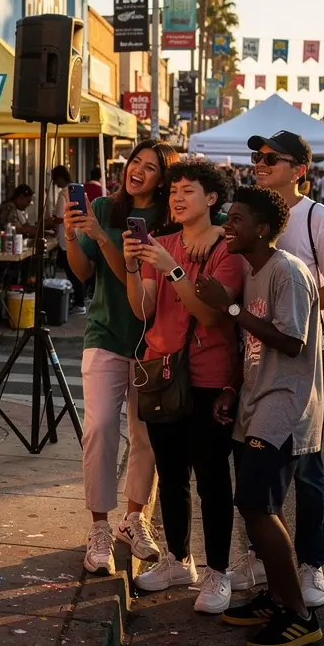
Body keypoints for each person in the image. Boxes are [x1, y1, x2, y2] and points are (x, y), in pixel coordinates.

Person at [227, 131, 324, 609]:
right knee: (262, 474)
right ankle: (264, 559)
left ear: (299, 169)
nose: (259, 163)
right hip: (256, 353)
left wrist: (292, 301)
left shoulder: (320, 219)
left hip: (304, 356)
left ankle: (309, 565)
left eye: (270, 158)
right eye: (255, 156)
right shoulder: (249, 217)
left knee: (307, 467)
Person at [198, 186, 324, 646]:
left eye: (236, 220)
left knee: (256, 505)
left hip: (283, 408)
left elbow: (291, 342)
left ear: (264, 229)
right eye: (227, 218)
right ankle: (276, 598)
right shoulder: (254, 273)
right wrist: (232, 388)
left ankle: (299, 614)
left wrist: (227, 306)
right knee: (254, 505)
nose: (227, 226)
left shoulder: (287, 273)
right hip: (254, 404)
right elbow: (250, 343)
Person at [124, 161, 245, 615]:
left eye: (187, 191)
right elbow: (144, 309)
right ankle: (179, 559)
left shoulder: (227, 249)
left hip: (211, 376)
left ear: (211, 198)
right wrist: (135, 267)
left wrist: (174, 269)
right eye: (173, 191)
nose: (176, 198)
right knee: (171, 474)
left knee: (212, 478)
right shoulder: (163, 243)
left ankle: (217, 572)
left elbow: (212, 314)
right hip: (162, 373)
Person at [64, 140, 177, 576]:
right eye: (136, 163)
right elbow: (81, 271)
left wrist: (103, 240)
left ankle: (135, 519)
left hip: (153, 340)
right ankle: (98, 527)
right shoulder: (106, 209)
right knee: (99, 428)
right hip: (105, 334)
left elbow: (128, 272)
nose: (139, 171)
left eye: (150, 168)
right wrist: (74, 232)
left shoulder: (168, 221)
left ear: (163, 179)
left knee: (144, 434)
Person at [47, 165, 86, 314]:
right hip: (78, 235)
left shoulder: (64, 193)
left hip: (66, 239)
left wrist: (48, 221)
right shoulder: (77, 190)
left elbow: (59, 218)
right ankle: (79, 300)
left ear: (60, 178)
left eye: (55, 180)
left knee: (72, 271)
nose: (55, 183)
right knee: (76, 270)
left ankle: (79, 302)